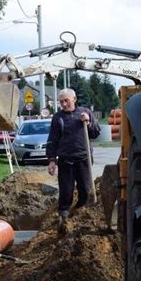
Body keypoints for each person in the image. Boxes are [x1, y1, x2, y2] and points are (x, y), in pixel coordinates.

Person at [46, 88, 100, 234]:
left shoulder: (85, 112)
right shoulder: (58, 118)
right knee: (66, 191)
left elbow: (96, 133)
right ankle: (63, 220)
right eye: (61, 101)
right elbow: (53, 139)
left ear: (74, 99)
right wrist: (52, 160)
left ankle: (83, 216)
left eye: (66, 101)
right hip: (65, 161)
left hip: (84, 159)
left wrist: (88, 123)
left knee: (85, 190)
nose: (63, 104)